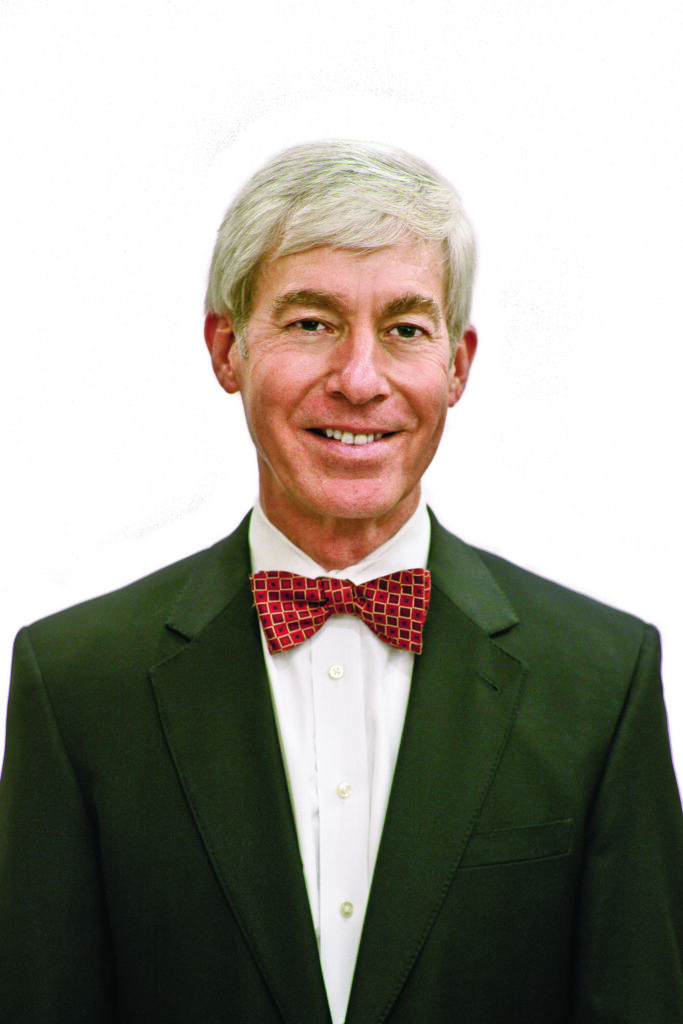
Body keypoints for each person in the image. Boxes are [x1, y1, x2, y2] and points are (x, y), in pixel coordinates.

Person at [1, 140, 681, 1024]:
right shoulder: (76, 685)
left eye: (404, 328)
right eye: (311, 322)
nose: (360, 380)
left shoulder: (600, 681)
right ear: (227, 349)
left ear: (456, 365)